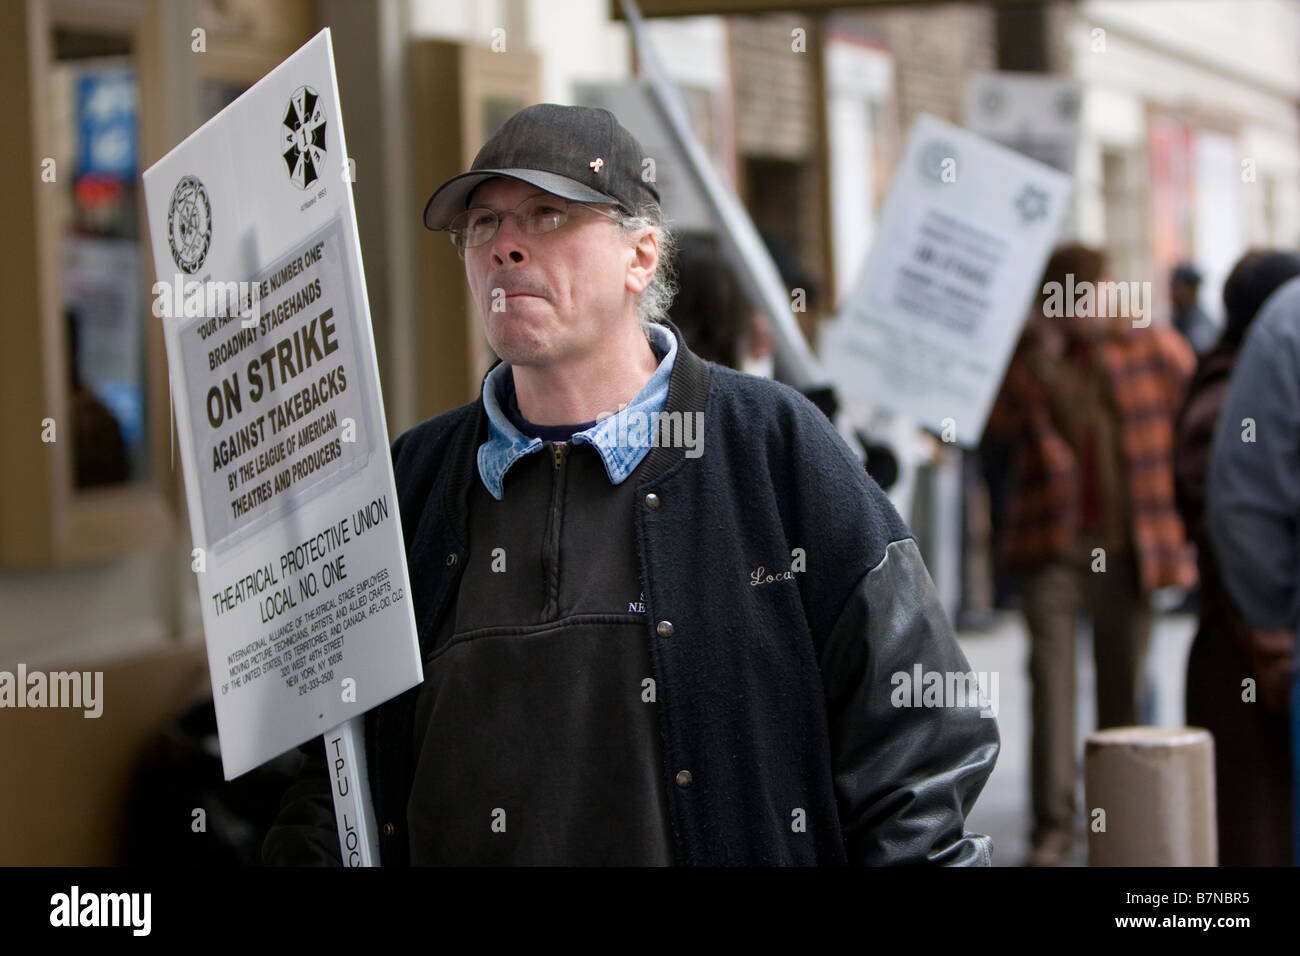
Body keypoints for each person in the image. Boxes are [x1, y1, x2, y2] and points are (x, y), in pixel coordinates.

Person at [263, 103, 998, 866]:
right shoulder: (412, 481)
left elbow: (923, 745)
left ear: (641, 257)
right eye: (483, 225)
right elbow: (330, 772)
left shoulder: (773, 450)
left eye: (546, 216)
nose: (505, 247)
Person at [986, 244, 1196, 867]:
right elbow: (994, 425)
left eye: (1100, 290)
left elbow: (1190, 407)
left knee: (1122, 684)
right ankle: (1054, 827)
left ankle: (1123, 818)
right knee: (1050, 681)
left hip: (1130, 546)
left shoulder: (1148, 349)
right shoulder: (1030, 361)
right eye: (1080, 293)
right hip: (1052, 545)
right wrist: (1035, 353)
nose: (1093, 304)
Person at [1175, 249, 1300, 867]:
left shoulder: (1245, 364)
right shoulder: (1228, 386)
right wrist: (1270, 628)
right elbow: (1234, 514)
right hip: (1242, 642)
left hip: (1249, 634)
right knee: (1255, 821)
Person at [1171, 263, 1219, 356]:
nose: (1173, 293)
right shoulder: (1181, 317)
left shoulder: (1199, 325)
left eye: (1177, 287)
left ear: (1191, 289)